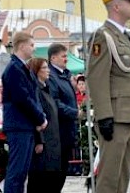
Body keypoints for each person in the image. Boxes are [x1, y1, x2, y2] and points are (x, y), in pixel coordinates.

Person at [86, 0, 130, 193]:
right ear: (116, 6)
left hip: (129, 114)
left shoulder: (123, 35)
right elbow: (96, 78)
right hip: (115, 116)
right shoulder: (103, 35)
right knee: (109, 179)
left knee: (122, 177)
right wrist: (104, 115)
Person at [2, 32, 47, 193]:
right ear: (22, 46)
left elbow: (31, 96)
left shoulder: (21, 67)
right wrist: (40, 118)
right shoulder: (14, 68)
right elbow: (23, 98)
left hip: (25, 125)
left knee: (21, 173)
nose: (33, 48)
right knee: (16, 172)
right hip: (18, 125)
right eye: (32, 45)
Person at [45, 43, 78, 190]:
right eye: (63, 56)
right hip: (58, 131)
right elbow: (54, 103)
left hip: (66, 130)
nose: (66, 59)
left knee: (62, 170)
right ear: (53, 58)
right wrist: (74, 112)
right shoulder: (52, 76)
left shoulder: (64, 75)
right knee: (56, 173)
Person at [27, 58, 62, 193]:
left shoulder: (45, 88)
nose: (48, 70)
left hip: (52, 141)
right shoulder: (36, 90)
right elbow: (36, 116)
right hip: (44, 142)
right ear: (36, 71)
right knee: (40, 180)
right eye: (44, 68)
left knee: (50, 179)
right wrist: (39, 140)